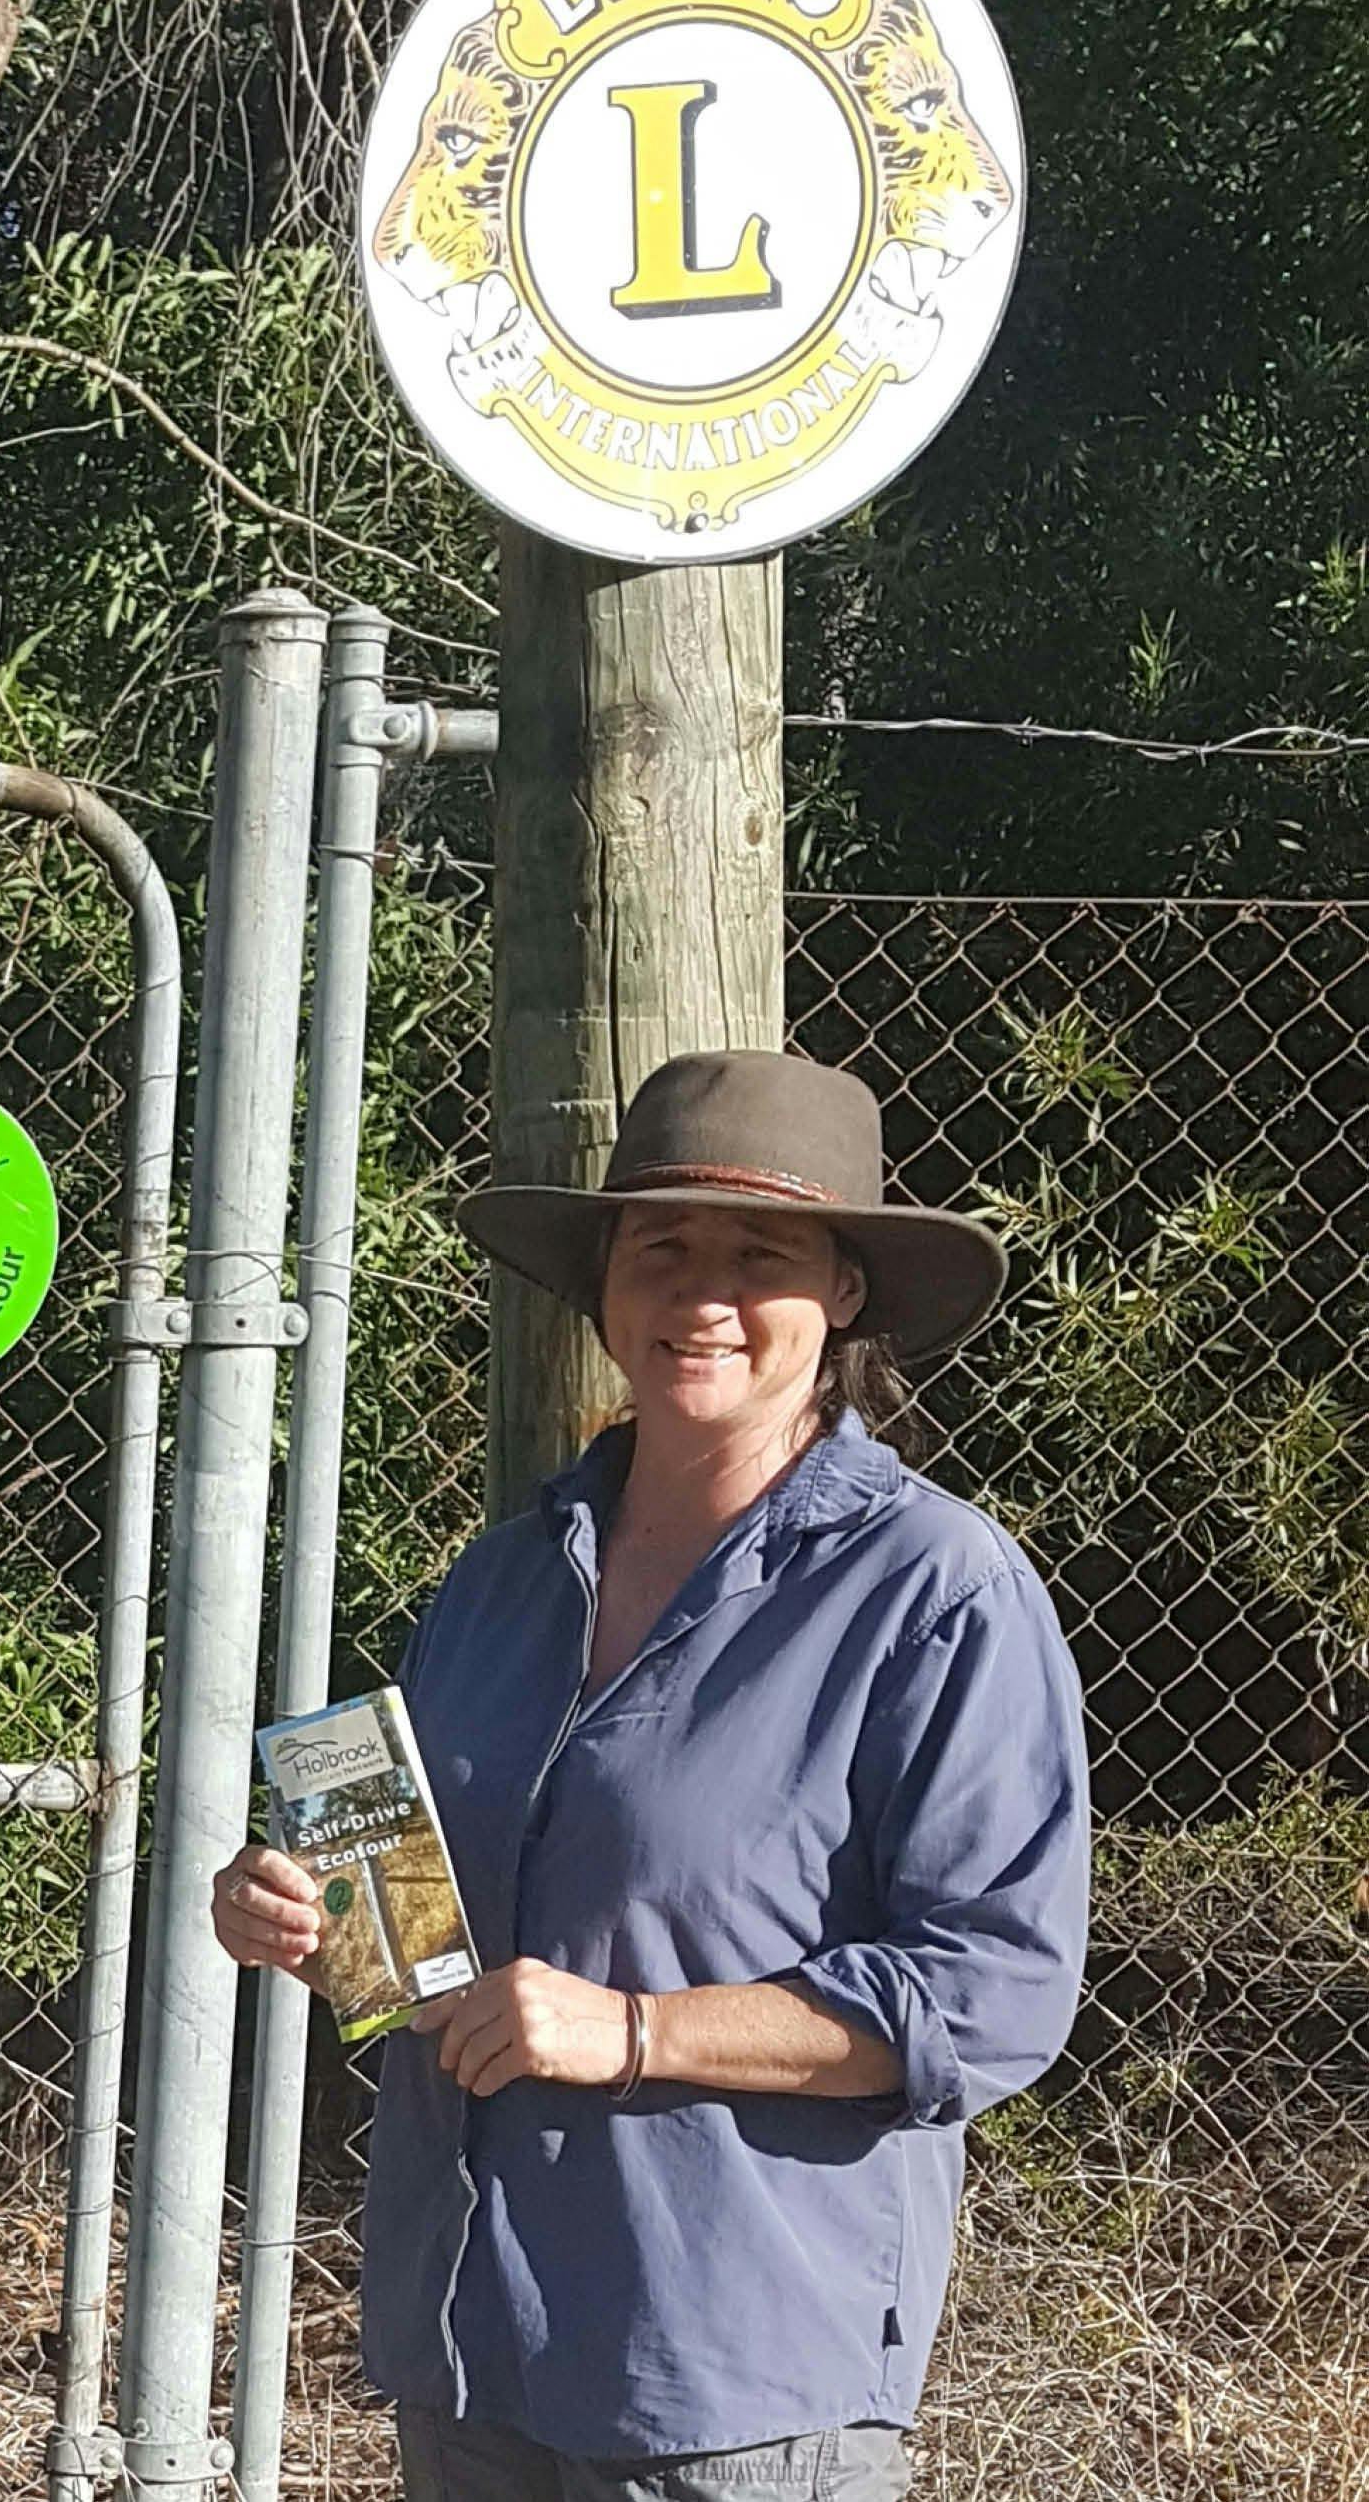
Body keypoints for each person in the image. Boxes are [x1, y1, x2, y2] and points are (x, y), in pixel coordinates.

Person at [211, 1050, 1089, 2500]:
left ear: (846, 1294)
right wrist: (315, 1927)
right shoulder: (500, 1579)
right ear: (605, 1281)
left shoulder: (936, 1591)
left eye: (761, 1255)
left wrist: (634, 2032)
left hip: (725, 2377)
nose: (702, 1295)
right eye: (660, 1246)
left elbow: (991, 1997)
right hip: (472, 2336)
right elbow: (428, 1959)